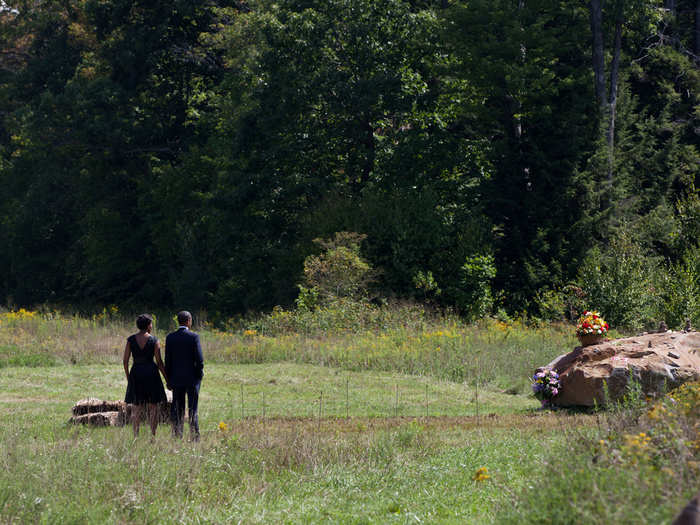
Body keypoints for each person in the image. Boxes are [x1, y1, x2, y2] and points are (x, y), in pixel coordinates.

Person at [123, 314, 168, 439]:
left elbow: (125, 361)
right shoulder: (154, 340)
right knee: (153, 407)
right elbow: (159, 362)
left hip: (136, 372)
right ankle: (153, 435)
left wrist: (128, 377)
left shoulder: (130, 340)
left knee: (136, 407)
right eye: (151, 324)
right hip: (151, 373)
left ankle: (136, 436)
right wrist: (167, 379)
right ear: (148, 325)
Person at [165, 310, 204, 441]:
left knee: (177, 408)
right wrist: (199, 375)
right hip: (192, 379)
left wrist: (168, 379)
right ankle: (194, 436)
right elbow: (199, 360)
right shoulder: (194, 337)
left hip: (176, 379)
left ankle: (177, 434)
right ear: (188, 321)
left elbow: (168, 361)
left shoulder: (170, 337)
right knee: (193, 408)